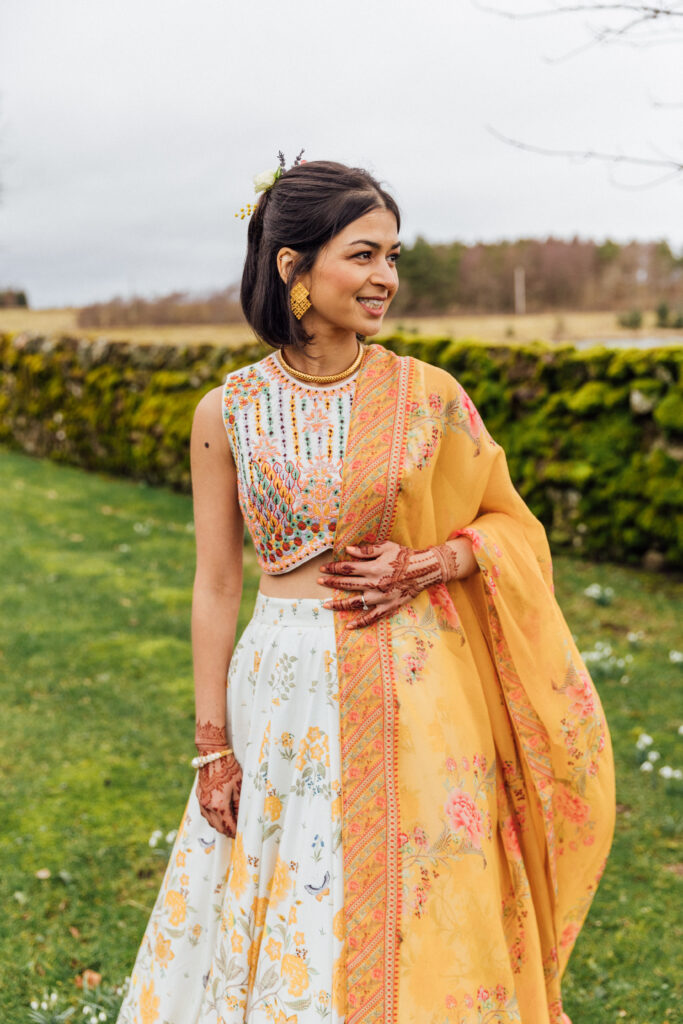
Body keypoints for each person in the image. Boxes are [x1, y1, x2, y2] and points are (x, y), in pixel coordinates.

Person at [116, 158, 616, 1024]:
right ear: (292, 266)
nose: (385, 277)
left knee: (418, 888)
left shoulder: (427, 397)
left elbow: (509, 526)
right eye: (362, 254)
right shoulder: (224, 411)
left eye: (393, 255)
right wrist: (211, 745)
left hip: (413, 685)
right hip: (280, 688)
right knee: (286, 891)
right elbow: (217, 581)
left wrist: (438, 562)